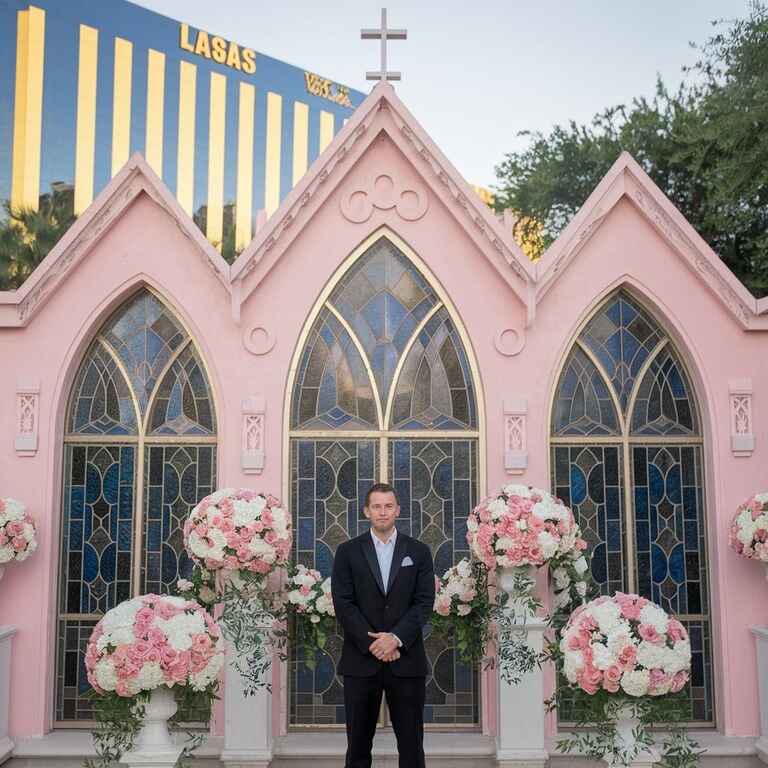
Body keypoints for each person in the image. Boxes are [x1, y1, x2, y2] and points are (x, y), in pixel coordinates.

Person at [331, 482, 436, 768]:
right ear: (366, 511)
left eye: (388, 506)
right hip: (360, 662)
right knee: (358, 750)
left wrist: (396, 638)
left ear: (398, 510)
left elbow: (424, 602)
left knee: (412, 748)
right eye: (376, 506)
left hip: (406, 660)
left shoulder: (419, 551)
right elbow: (343, 603)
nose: (382, 512)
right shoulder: (347, 551)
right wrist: (374, 644)